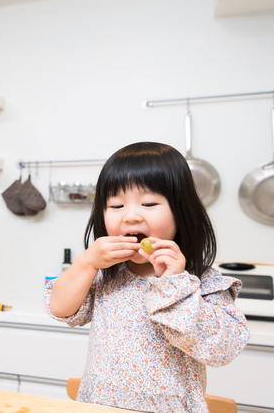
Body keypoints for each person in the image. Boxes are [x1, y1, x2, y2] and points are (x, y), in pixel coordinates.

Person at [45, 142, 250, 413]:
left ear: (181, 211)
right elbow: (60, 309)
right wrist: (87, 262)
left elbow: (222, 349)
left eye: (149, 203)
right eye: (116, 205)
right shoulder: (106, 275)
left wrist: (174, 284)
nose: (130, 216)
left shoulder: (201, 281)